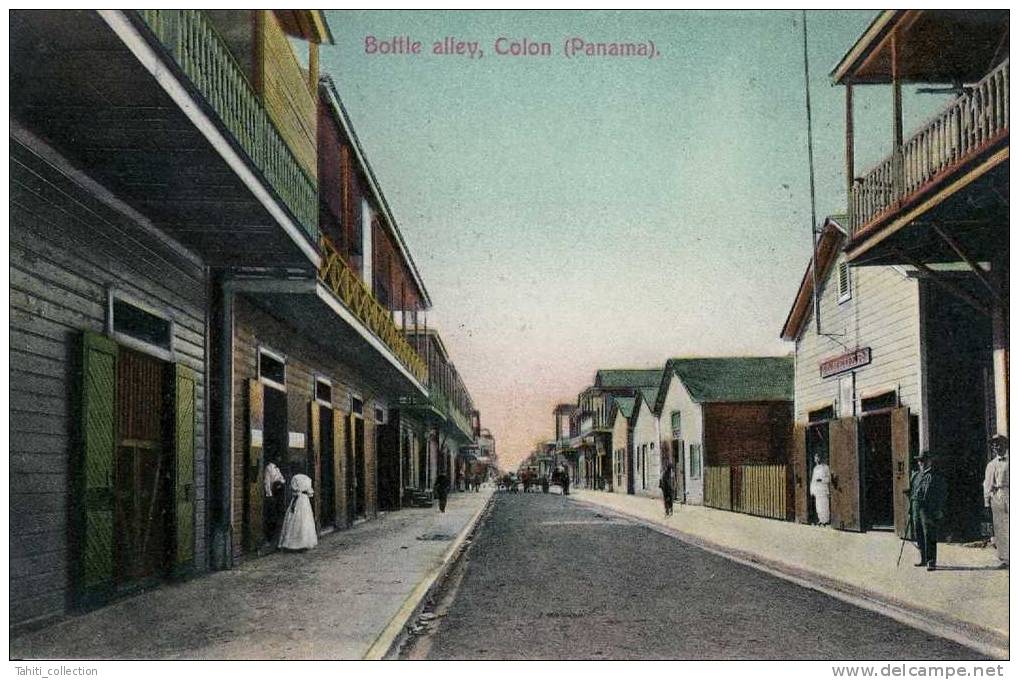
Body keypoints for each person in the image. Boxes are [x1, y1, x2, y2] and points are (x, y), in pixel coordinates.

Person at [909, 450, 947, 571]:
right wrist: (911, 509)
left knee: (928, 533)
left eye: (924, 461)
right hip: (916, 506)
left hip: (928, 508)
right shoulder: (915, 475)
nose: (922, 463)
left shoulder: (935, 476)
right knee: (918, 532)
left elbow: (941, 494)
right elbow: (912, 492)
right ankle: (923, 558)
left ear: (930, 461)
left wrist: (939, 509)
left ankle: (931, 561)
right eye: (920, 461)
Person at [983, 435, 1009, 567]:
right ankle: (1005, 558)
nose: (996, 447)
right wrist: (987, 503)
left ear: (1005, 445)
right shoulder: (991, 465)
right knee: (1000, 527)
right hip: (998, 496)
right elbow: (987, 485)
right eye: (994, 445)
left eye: (999, 444)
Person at [278, 473, 317, 551]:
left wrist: (296, 492)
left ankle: (293, 543)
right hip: (305, 501)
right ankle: (304, 542)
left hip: (298, 500)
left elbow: (293, 489)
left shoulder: (295, 478)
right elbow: (310, 493)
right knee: (305, 520)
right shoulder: (307, 479)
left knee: (294, 519)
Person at [263, 460, 287, 547]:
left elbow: (282, 479)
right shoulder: (269, 468)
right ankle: (270, 538)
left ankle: (276, 537)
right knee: (272, 517)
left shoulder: (277, 468)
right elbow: (267, 482)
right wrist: (269, 495)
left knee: (278, 515)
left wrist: (280, 483)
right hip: (272, 495)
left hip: (278, 495)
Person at [809, 454, 831, 526]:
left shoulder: (826, 467)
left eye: (818, 457)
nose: (817, 459)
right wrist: (812, 489)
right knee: (818, 505)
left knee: (824, 504)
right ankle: (820, 519)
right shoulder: (815, 469)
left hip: (823, 488)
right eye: (815, 458)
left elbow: (829, 478)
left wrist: (822, 480)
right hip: (817, 489)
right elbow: (813, 479)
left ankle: (826, 520)